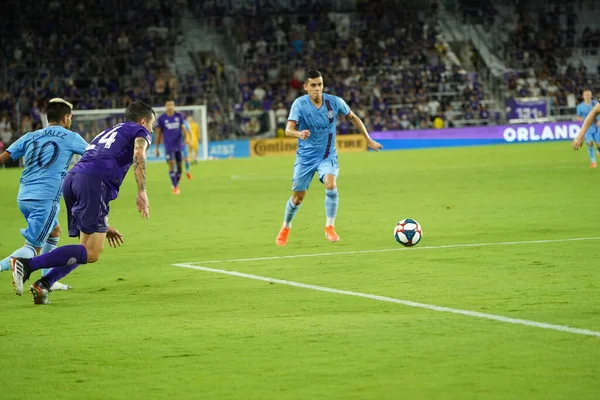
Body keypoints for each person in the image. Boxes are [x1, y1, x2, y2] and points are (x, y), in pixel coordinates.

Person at [10, 101, 155, 305]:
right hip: (94, 183)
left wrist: (104, 226)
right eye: (152, 124)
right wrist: (142, 191)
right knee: (93, 253)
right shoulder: (140, 130)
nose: (151, 129)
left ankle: (44, 283)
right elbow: (139, 153)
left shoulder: (109, 131)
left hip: (74, 179)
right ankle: (26, 264)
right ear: (143, 120)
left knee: (84, 247)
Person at [275, 70, 383, 246]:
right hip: (306, 158)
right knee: (297, 198)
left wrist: (368, 139)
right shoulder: (299, 104)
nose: (317, 89)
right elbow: (288, 129)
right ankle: (286, 227)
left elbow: (353, 118)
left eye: (320, 84)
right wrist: (298, 133)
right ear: (305, 87)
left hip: (327, 155)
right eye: (313, 85)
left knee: (331, 185)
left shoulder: (334, 102)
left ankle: (329, 227)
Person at [0, 98, 88, 291]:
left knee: (54, 231)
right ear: (66, 118)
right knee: (33, 247)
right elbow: (93, 155)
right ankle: (14, 266)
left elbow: (3, 158)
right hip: (45, 199)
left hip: (24, 196)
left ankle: (49, 279)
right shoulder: (70, 137)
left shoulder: (31, 136)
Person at [155, 100, 191, 194]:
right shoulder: (162, 118)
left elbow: (183, 129)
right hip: (168, 145)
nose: (170, 106)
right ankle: (175, 187)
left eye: (172, 105)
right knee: (171, 163)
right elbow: (158, 133)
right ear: (165, 106)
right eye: (168, 105)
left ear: (174, 106)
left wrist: (186, 138)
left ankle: (175, 183)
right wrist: (157, 148)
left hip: (179, 145)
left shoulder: (179, 116)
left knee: (179, 167)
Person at [575, 89, 600, 167]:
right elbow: (579, 116)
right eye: (586, 95)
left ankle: (598, 152)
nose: (588, 96)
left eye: (589, 94)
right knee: (590, 144)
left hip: (596, 127)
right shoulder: (580, 106)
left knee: (599, 145)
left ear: (591, 95)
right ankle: (593, 162)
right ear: (583, 96)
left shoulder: (595, 103)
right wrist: (582, 120)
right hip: (588, 128)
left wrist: (599, 121)